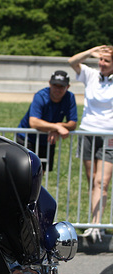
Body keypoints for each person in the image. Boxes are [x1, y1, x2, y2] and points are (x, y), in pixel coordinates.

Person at [69, 45, 113, 242]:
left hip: (109, 136)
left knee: (101, 182)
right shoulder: (91, 74)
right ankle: (93, 222)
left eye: (107, 61)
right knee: (91, 179)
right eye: (100, 60)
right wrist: (92, 51)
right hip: (87, 132)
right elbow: (72, 61)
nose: (102, 64)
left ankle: (97, 225)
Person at [16, 70, 77, 172]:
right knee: (25, 173)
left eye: (61, 86)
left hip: (47, 140)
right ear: (49, 83)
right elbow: (34, 122)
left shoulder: (70, 97)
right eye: (55, 85)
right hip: (27, 138)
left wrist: (57, 125)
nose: (57, 89)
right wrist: (56, 127)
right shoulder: (40, 96)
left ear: (68, 87)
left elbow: (73, 123)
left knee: (40, 173)